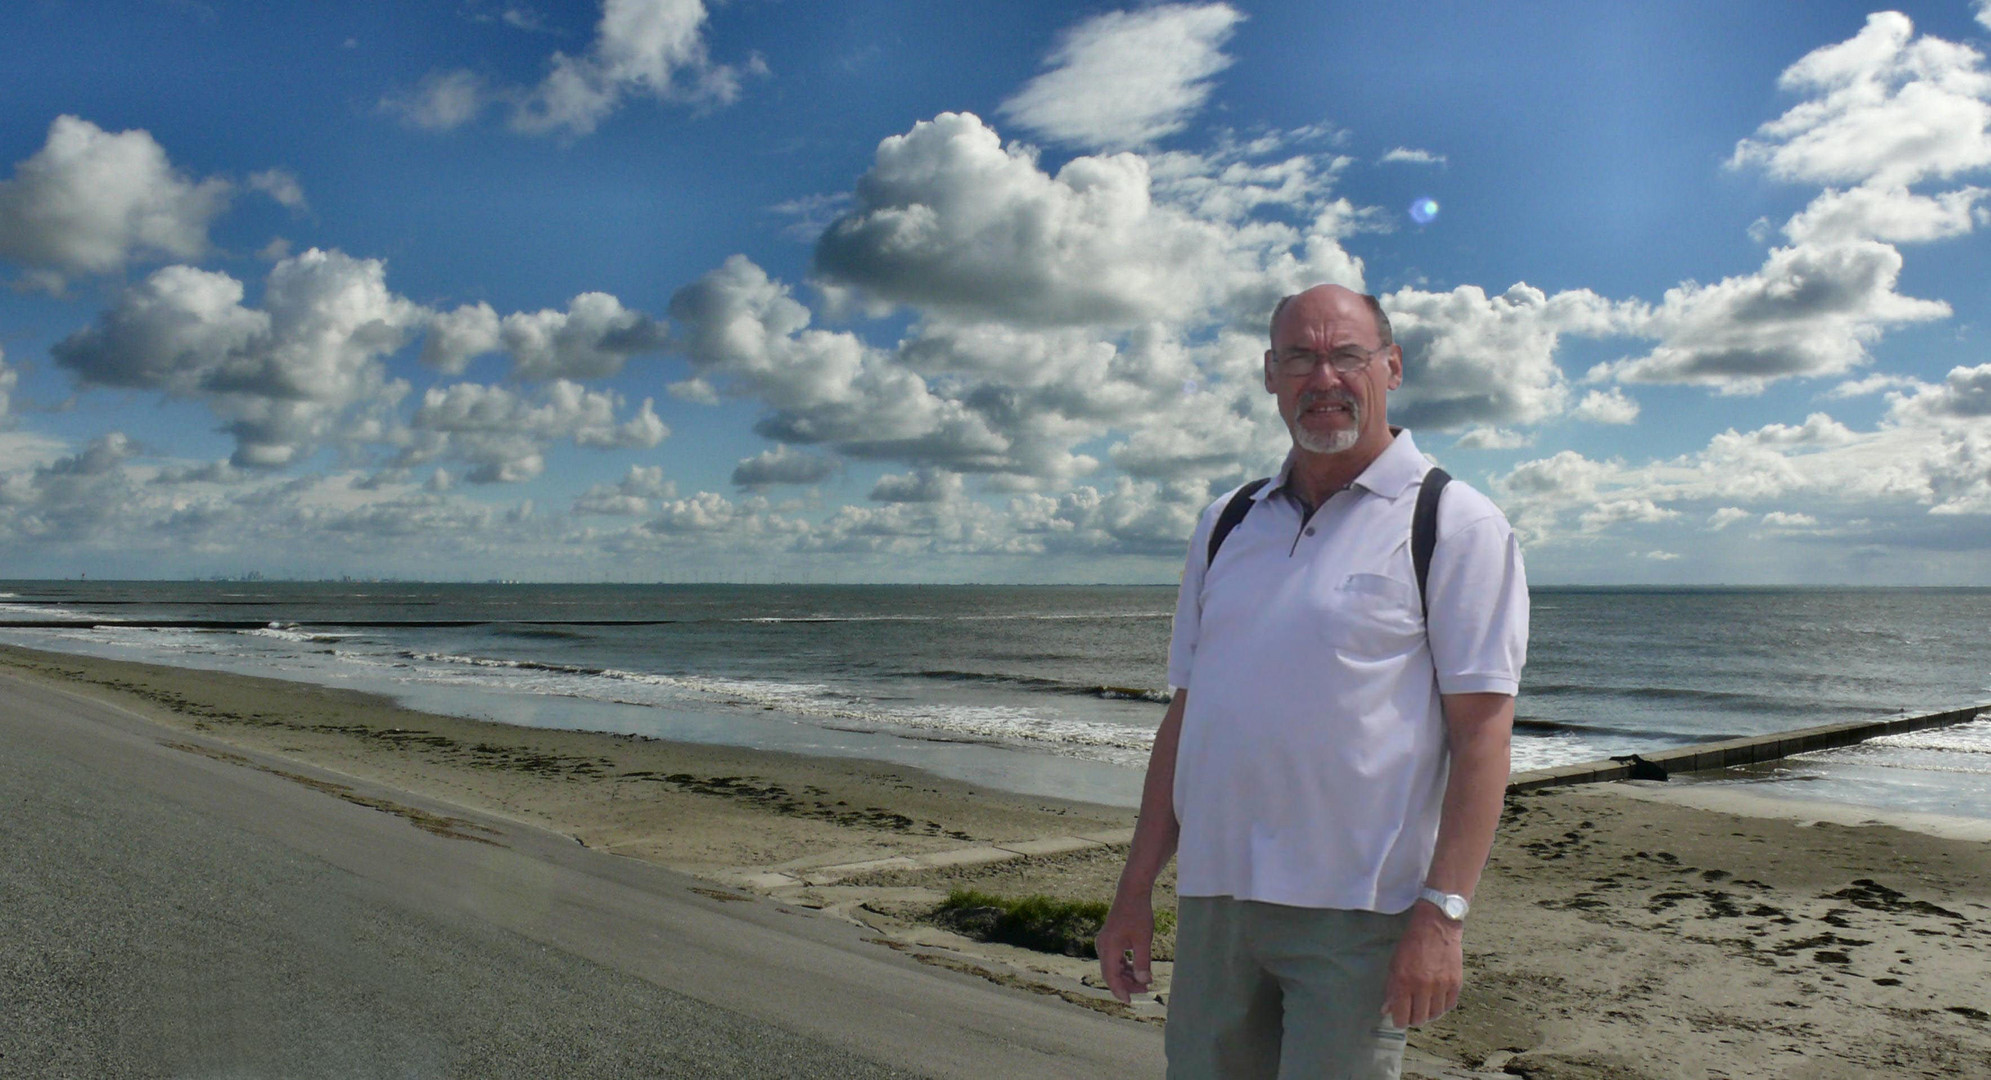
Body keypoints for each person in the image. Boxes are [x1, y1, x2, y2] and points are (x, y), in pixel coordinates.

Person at [1097, 284, 1528, 1078]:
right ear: (1269, 374)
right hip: (1216, 905)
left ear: (1389, 368)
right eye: (1299, 357)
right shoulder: (1229, 520)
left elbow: (1481, 734)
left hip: (1359, 912)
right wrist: (1134, 893)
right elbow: (1188, 718)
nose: (1321, 377)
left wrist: (1443, 914)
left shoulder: (1452, 522)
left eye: (1346, 355)